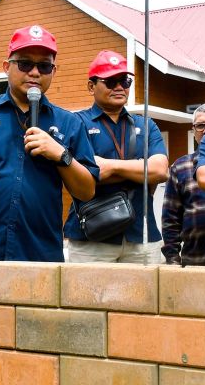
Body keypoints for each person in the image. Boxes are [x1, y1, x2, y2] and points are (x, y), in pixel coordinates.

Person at [0, 24, 98, 262]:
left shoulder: (69, 123)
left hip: (40, 256)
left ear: (54, 71)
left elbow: (87, 191)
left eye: (44, 66)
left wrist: (60, 155)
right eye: (24, 64)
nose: (34, 72)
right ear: (6, 67)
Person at [64, 50, 168, 264]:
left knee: (145, 298)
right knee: (86, 298)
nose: (120, 86)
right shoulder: (75, 123)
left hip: (142, 236)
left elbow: (159, 171)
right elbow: (82, 177)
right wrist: (140, 169)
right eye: (110, 81)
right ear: (91, 86)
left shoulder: (146, 124)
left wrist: (109, 167)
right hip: (91, 237)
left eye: (125, 80)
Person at [161, 103, 205, 266]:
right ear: (194, 130)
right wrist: (173, 259)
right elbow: (170, 219)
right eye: (200, 126)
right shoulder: (180, 167)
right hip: (195, 260)